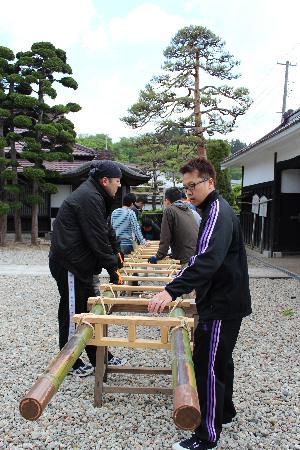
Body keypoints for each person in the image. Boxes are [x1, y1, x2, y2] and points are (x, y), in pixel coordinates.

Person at [148, 158, 252, 450]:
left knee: (208, 365)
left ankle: (207, 435)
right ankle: (225, 412)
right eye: (185, 187)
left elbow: (206, 260)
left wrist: (171, 290)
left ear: (211, 182)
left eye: (193, 185)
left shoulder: (217, 212)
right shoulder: (213, 210)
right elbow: (205, 259)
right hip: (227, 299)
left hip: (222, 302)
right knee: (222, 361)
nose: (188, 193)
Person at [49, 160, 127, 377]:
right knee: (74, 312)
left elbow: (106, 230)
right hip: (69, 264)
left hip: (81, 263)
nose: (119, 186)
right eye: (117, 182)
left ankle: (99, 355)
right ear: (105, 181)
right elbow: (97, 238)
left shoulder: (96, 196)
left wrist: (118, 256)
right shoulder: (89, 197)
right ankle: (68, 361)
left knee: (90, 311)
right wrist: (113, 268)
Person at [148, 187, 199, 266]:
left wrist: (158, 256)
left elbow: (165, 236)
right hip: (196, 254)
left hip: (185, 257)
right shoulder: (188, 210)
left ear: (167, 200)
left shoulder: (169, 210)